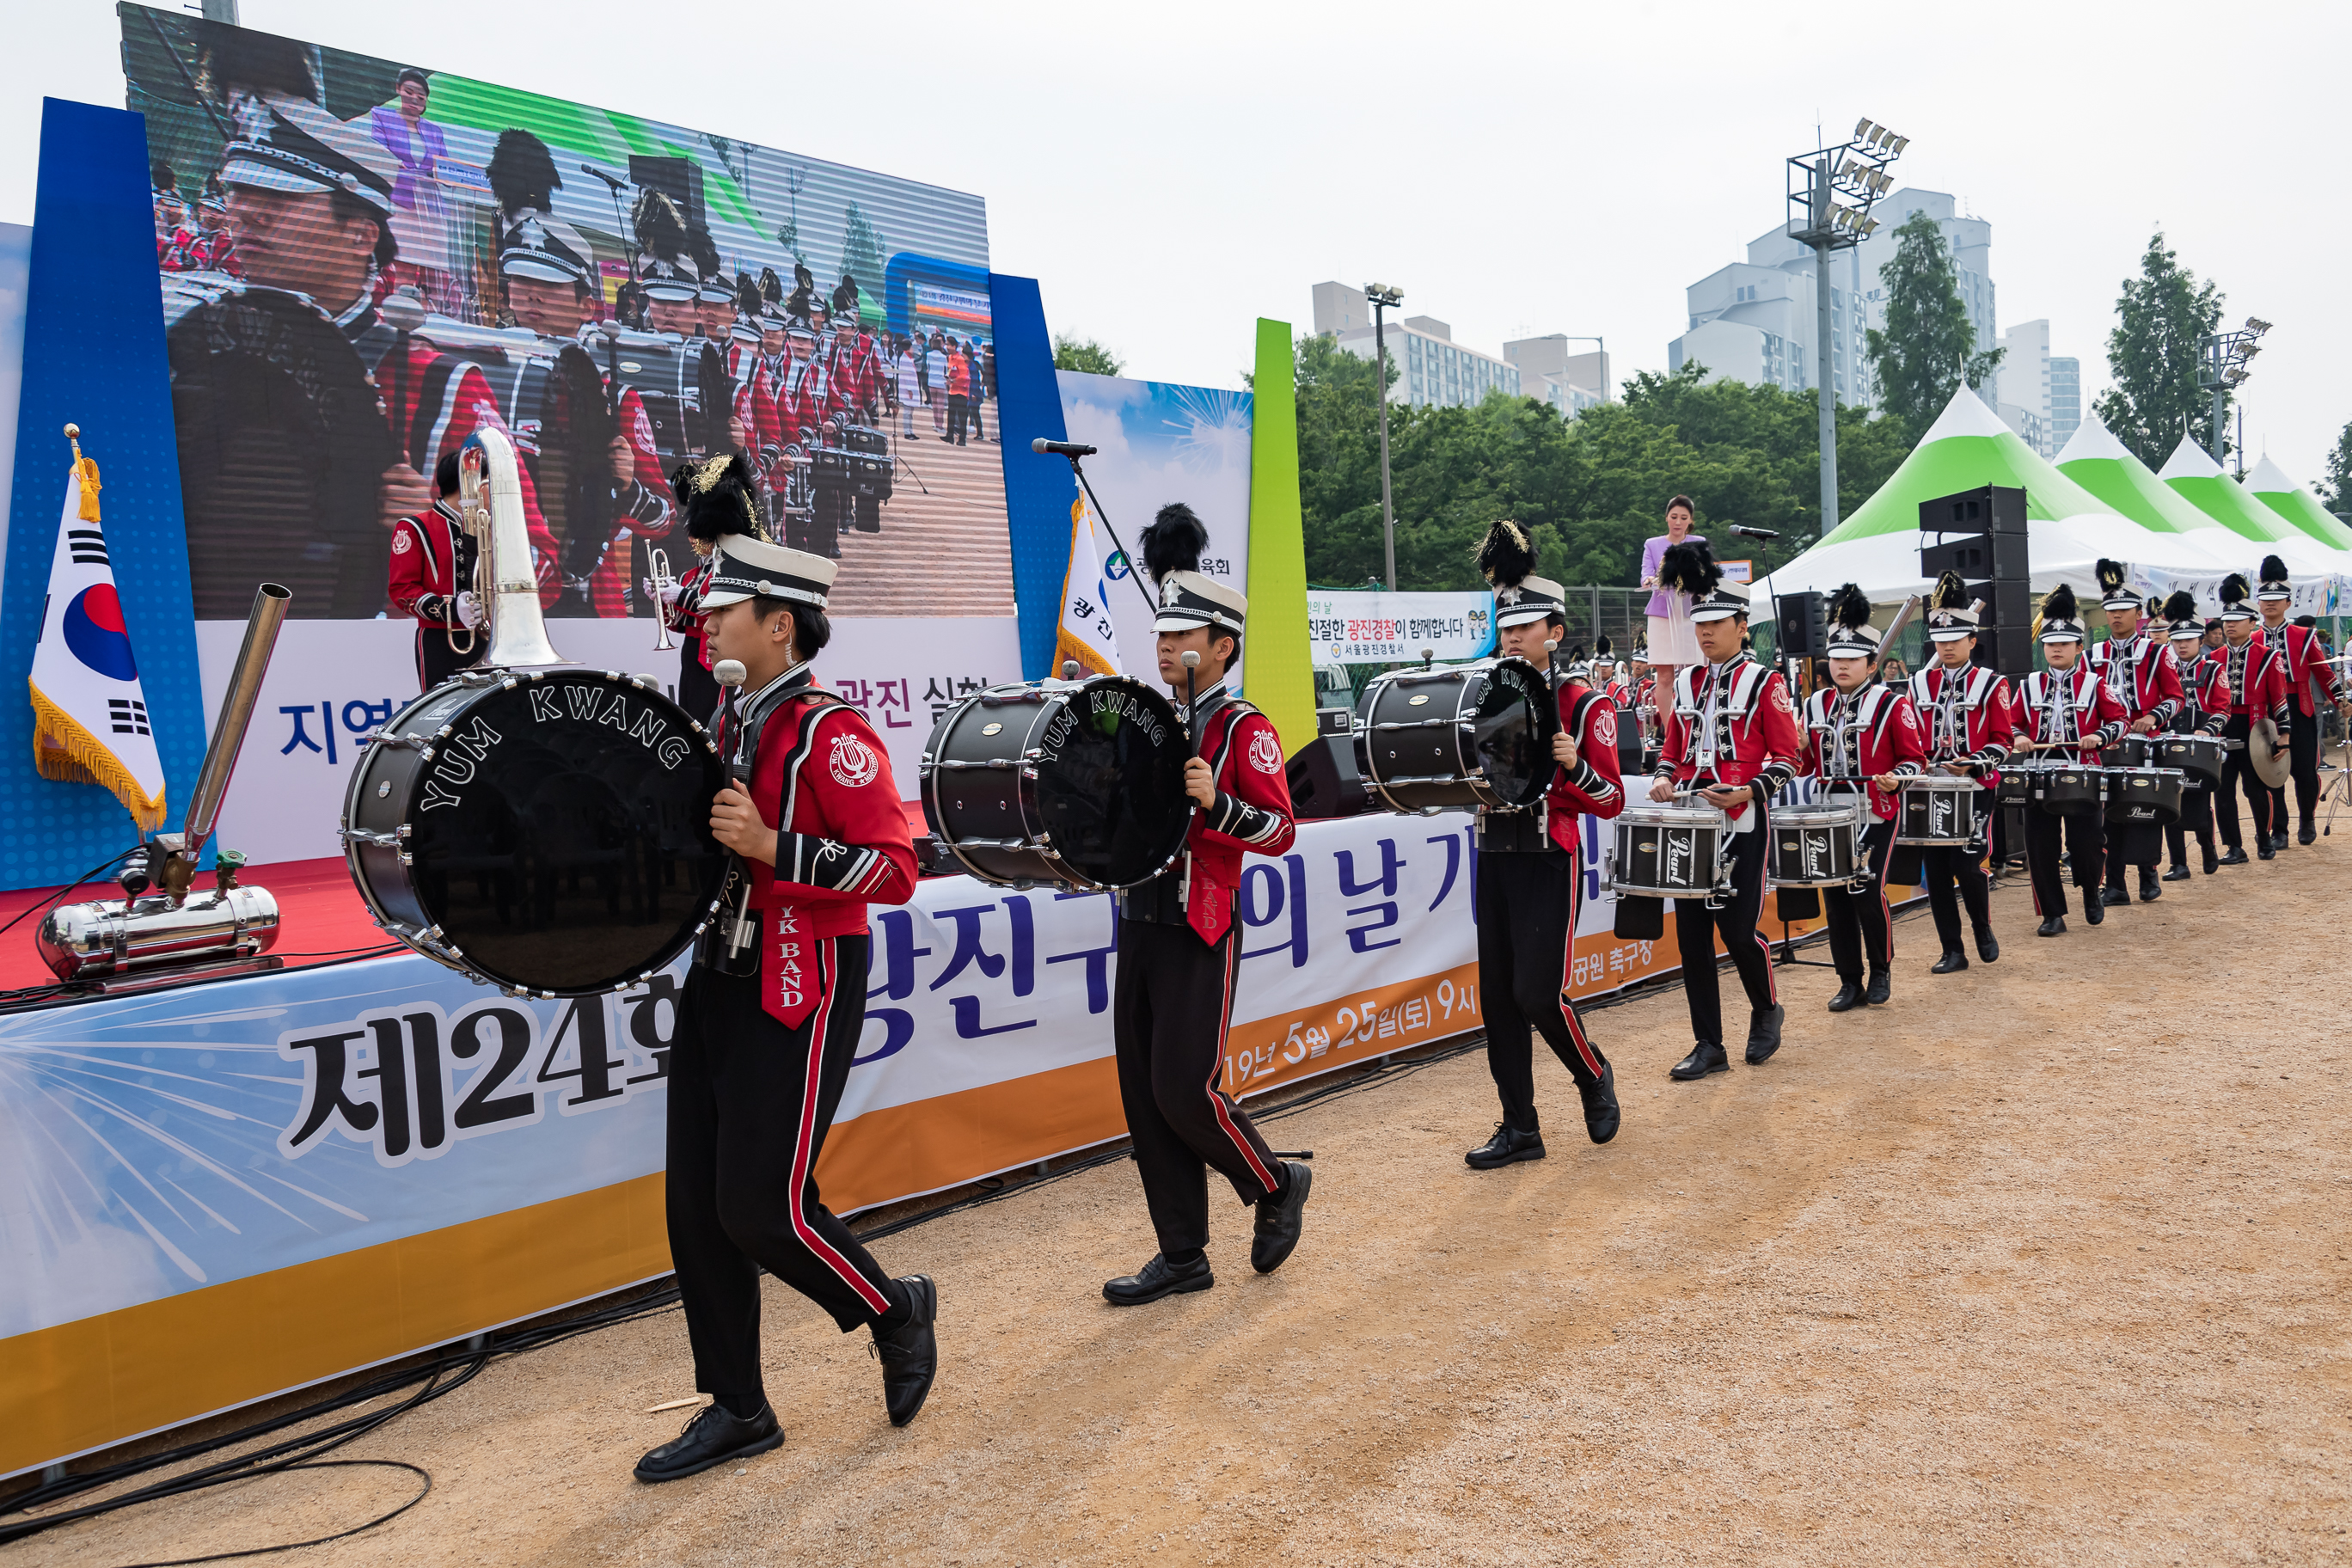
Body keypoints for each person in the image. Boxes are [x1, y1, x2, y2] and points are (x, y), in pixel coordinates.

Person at [635, 456, 936, 1484]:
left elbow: (897, 869)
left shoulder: (833, 734)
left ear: (782, 624)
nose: (706, 620)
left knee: (761, 1205)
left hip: (801, 982)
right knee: (693, 1207)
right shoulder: (724, 719)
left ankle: (893, 1309)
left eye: (728, 607)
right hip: (720, 978)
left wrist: (776, 852)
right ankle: (739, 1407)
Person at [1101, 504, 1308, 1306]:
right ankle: (1182, 1253)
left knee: (1186, 1088)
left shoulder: (1243, 725)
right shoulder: (1145, 719)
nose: (1167, 649)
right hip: (1138, 920)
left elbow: (1282, 829)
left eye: (1183, 637)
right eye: (1159, 635)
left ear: (1223, 645)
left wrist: (1219, 805)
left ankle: (1273, 1182)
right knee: (1144, 1099)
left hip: (1200, 921)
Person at [1460, 521, 1625, 1169]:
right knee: (1496, 999)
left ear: (1554, 631)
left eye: (1526, 627)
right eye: (1507, 626)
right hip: (1493, 851)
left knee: (1536, 992)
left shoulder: (1584, 702)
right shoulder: (1482, 692)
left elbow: (1609, 798)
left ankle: (1592, 1075)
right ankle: (1520, 1127)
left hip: (1549, 856)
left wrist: (1573, 768)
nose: (1513, 637)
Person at [1649, 545, 1800, 1079]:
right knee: (1691, 937)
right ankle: (1708, 1043)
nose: (1706, 632)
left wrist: (1750, 792)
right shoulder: (1687, 681)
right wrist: (1665, 775)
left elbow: (1789, 757)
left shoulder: (1767, 682)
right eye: (1700, 623)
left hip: (1742, 823)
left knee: (1737, 931)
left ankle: (1766, 1009)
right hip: (1692, 822)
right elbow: (1672, 746)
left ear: (1743, 626)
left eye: (1717, 622)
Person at [1804, 585, 1927, 1010]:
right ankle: (1848, 980)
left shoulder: (1891, 704)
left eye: (1852, 660)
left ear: (1871, 665)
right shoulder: (1814, 704)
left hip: (1876, 812)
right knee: (1835, 898)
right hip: (1827, 813)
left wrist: (1898, 778)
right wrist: (1797, 747)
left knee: (1866, 889)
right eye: (1836, 659)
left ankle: (1880, 969)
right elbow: (1804, 764)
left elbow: (1916, 759)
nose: (1841, 666)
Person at [1905, 572, 2013, 972]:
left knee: (1968, 863)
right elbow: (1910, 738)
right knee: (1935, 871)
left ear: (1971, 641)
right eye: (1941, 640)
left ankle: (1982, 927)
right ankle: (1952, 948)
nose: (1947, 647)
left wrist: (1974, 761)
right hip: (1929, 787)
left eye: (1955, 640)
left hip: (1975, 785)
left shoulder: (1992, 684)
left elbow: (2004, 740)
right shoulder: (1917, 684)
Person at [2013, 585, 2130, 937]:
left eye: (2064, 644)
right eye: (2050, 644)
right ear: (2043, 647)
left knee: (2087, 843)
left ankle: (2091, 890)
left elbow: (2121, 720)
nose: (2056, 649)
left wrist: (2100, 736)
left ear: (2079, 647)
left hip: (2084, 773)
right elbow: (2012, 722)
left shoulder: (2095, 683)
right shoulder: (2028, 684)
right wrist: (2018, 736)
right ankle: (2052, 913)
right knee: (2039, 846)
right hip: (2038, 774)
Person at [2086, 561, 2184, 906]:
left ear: (2138, 612)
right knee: (2109, 811)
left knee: (2144, 808)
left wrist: (2154, 717)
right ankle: (2114, 884)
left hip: (2147, 743)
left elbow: (2177, 697)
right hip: (2107, 744)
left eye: (2124, 610)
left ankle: (2148, 874)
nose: (2115, 616)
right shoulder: (2091, 655)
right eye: (2110, 610)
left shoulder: (2157, 651)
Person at [2252, 556, 2352, 846]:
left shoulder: (2304, 636)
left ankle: (2306, 818)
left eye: (2277, 598)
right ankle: (2280, 829)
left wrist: (2340, 700)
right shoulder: (2254, 639)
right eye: (2265, 599)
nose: (2270, 604)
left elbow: (2322, 672)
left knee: (2305, 770)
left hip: (2300, 708)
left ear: (2288, 602)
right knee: (2271, 771)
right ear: (2259, 603)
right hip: (2267, 712)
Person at [2212, 573, 2291, 864]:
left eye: (2237, 620)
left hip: (2254, 727)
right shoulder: (2214, 657)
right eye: (2226, 620)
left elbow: (2279, 698)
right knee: (2222, 790)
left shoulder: (2269, 656)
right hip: (2221, 728)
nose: (2230, 624)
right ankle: (2233, 846)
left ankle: (2265, 837)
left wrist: (2284, 735)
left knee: (2255, 788)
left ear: (2252, 623)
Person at [388, 450, 482, 689]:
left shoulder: (491, 526)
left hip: (489, 639)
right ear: (469, 483)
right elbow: (402, 590)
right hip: (441, 641)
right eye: (487, 482)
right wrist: (448, 609)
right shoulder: (414, 527)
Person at [366, 69, 454, 313]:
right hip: (401, 199)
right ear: (398, 90)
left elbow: (443, 166)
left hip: (430, 205)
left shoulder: (434, 131)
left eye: (421, 96)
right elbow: (378, 151)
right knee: (403, 263)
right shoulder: (382, 116)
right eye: (409, 92)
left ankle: (426, 314)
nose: (415, 99)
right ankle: (398, 313)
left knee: (429, 267)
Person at [2160, 591, 2227, 879]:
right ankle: (2179, 863)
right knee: (2168, 801)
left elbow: (2223, 709)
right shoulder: (2161, 669)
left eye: (2188, 640)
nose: (2182, 645)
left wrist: (2207, 730)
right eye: (2177, 640)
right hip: (2169, 743)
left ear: (2200, 640)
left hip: (2201, 744)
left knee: (2199, 803)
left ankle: (2208, 848)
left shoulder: (2213, 668)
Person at [1638, 496, 1706, 715]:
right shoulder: (1652, 544)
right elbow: (1646, 576)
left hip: (1690, 613)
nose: (1678, 522)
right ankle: (1669, 734)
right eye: (1674, 517)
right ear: (1666, 517)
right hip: (1661, 612)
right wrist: (1650, 581)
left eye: (1683, 518)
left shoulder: (1698, 542)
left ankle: (1694, 722)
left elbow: (1705, 574)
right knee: (1665, 674)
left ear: (1690, 521)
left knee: (1694, 671)